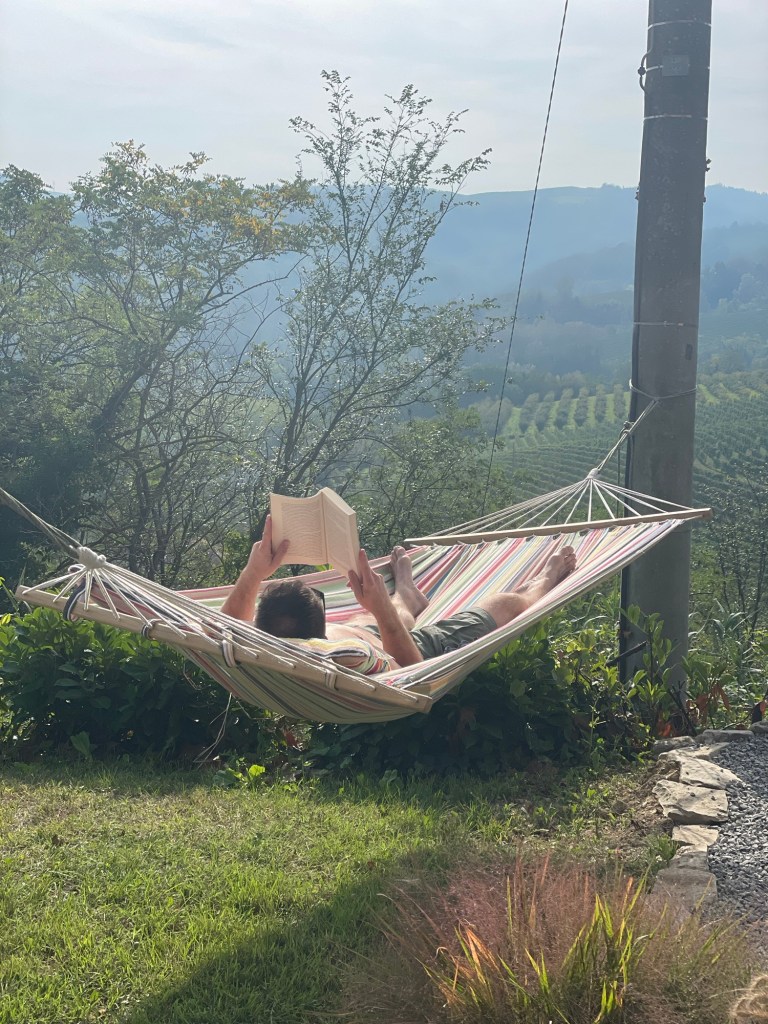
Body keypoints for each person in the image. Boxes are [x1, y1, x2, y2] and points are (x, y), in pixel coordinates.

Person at [221, 514, 576, 672]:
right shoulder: (348, 659)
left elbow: (222, 625)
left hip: (365, 630)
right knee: (501, 604)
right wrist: (379, 610)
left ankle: (405, 593)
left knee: (385, 612)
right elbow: (411, 671)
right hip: (403, 647)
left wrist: (254, 571)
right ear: (319, 627)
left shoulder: (259, 642)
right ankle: (542, 582)